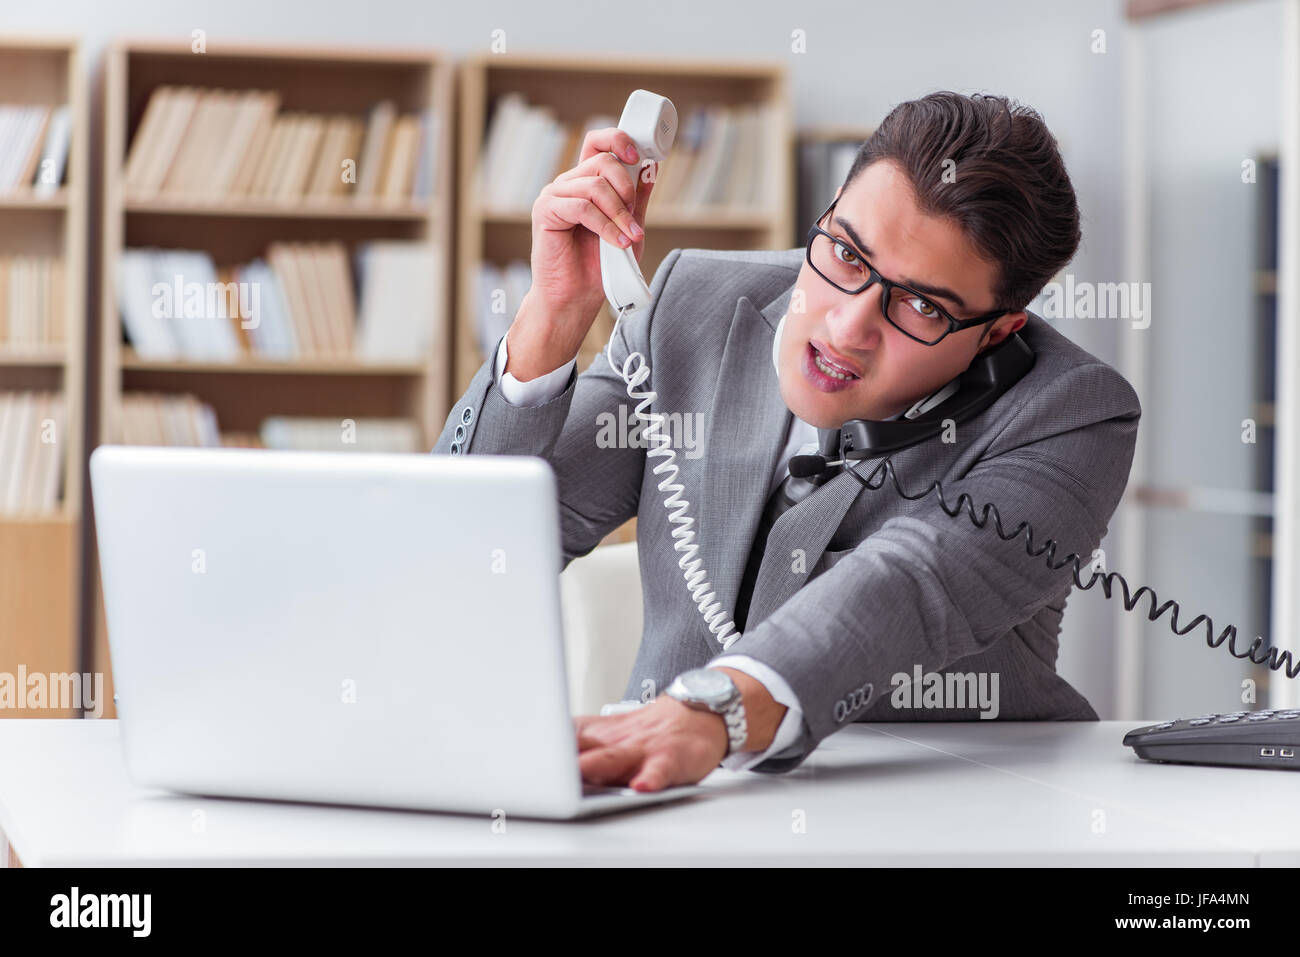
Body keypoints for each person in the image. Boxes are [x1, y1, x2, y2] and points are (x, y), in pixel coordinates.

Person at [434, 91, 1141, 792]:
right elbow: (463, 550)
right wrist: (552, 317)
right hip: (666, 794)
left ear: (997, 334)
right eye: (847, 253)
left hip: (941, 806)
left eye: (923, 305)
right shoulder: (692, 308)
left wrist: (712, 713)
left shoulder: (1071, 413)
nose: (847, 328)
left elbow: (911, 581)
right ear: (829, 208)